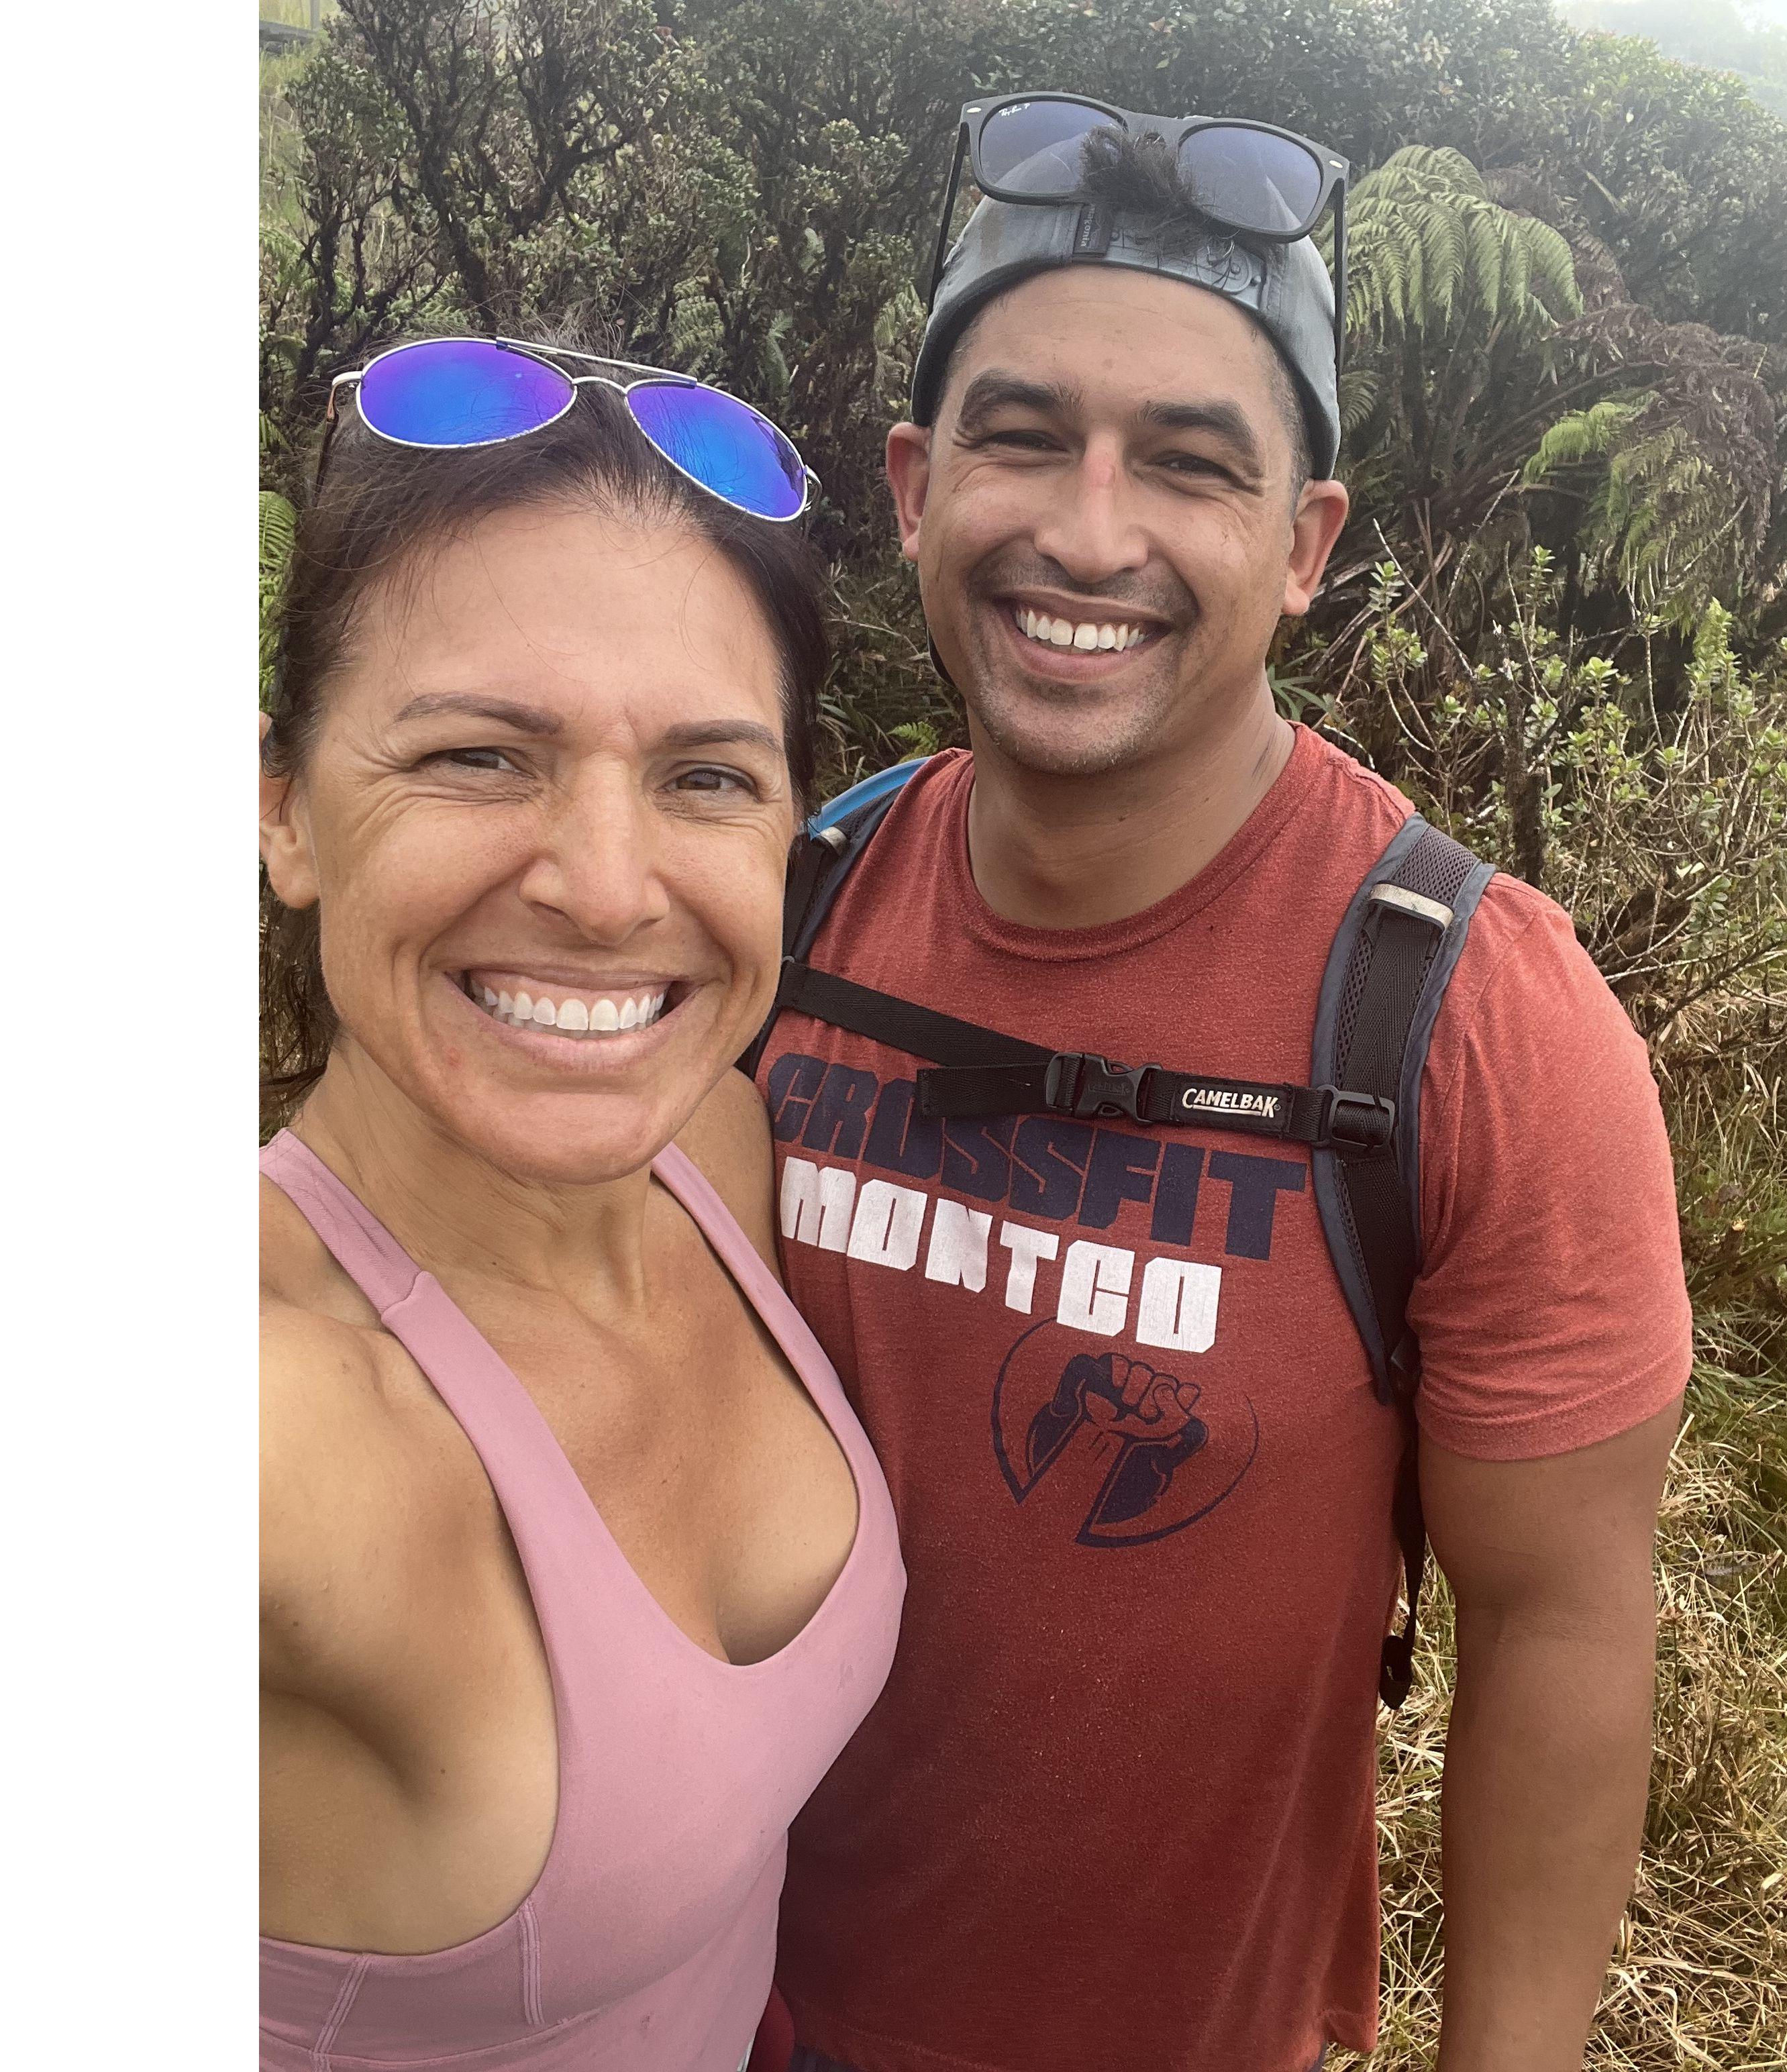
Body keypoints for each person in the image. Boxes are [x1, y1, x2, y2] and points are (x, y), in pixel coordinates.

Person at [753, 110, 1692, 2072]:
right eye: (1022, 439)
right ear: (916, 489)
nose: (1090, 532)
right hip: (683, 2015)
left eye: (1190, 467)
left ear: (1304, 546)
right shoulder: (785, 904)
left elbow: (1564, 1630)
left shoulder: (1473, 1021)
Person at [258, 335, 903, 2072]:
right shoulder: (269, 1408)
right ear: (286, 814)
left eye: (706, 776)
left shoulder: (719, 1160)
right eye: (479, 757)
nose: (610, 890)